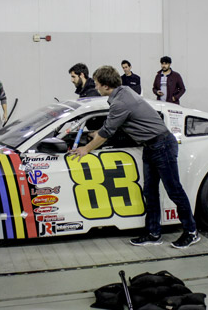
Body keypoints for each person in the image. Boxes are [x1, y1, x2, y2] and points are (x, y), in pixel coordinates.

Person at [69, 65, 200, 249]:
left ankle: (191, 232)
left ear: (107, 86)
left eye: (98, 84)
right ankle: (153, 233)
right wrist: (96, 133)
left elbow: (108, 131)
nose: (96, 87)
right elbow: (114, 125)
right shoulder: (123, 92)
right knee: (150, 192)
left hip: (162, 145)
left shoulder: (120, 102)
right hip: (150, 145)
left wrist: (86, 149)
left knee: (174, 191)